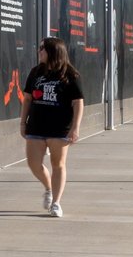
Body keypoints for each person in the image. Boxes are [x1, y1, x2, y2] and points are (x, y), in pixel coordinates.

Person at [20, 36, 85, 217]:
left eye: (43, 48)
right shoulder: (35, 72)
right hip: (36, 126)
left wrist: (75, 127)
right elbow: (27, 98)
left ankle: (56, 203)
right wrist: (22, 122)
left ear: (53, 51)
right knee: (33, 163)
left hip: (59, 127)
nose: (39, 51)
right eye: (39, 47)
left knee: (58, 164)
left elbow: (78, 103)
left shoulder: (71, 75)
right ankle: (48, 187)